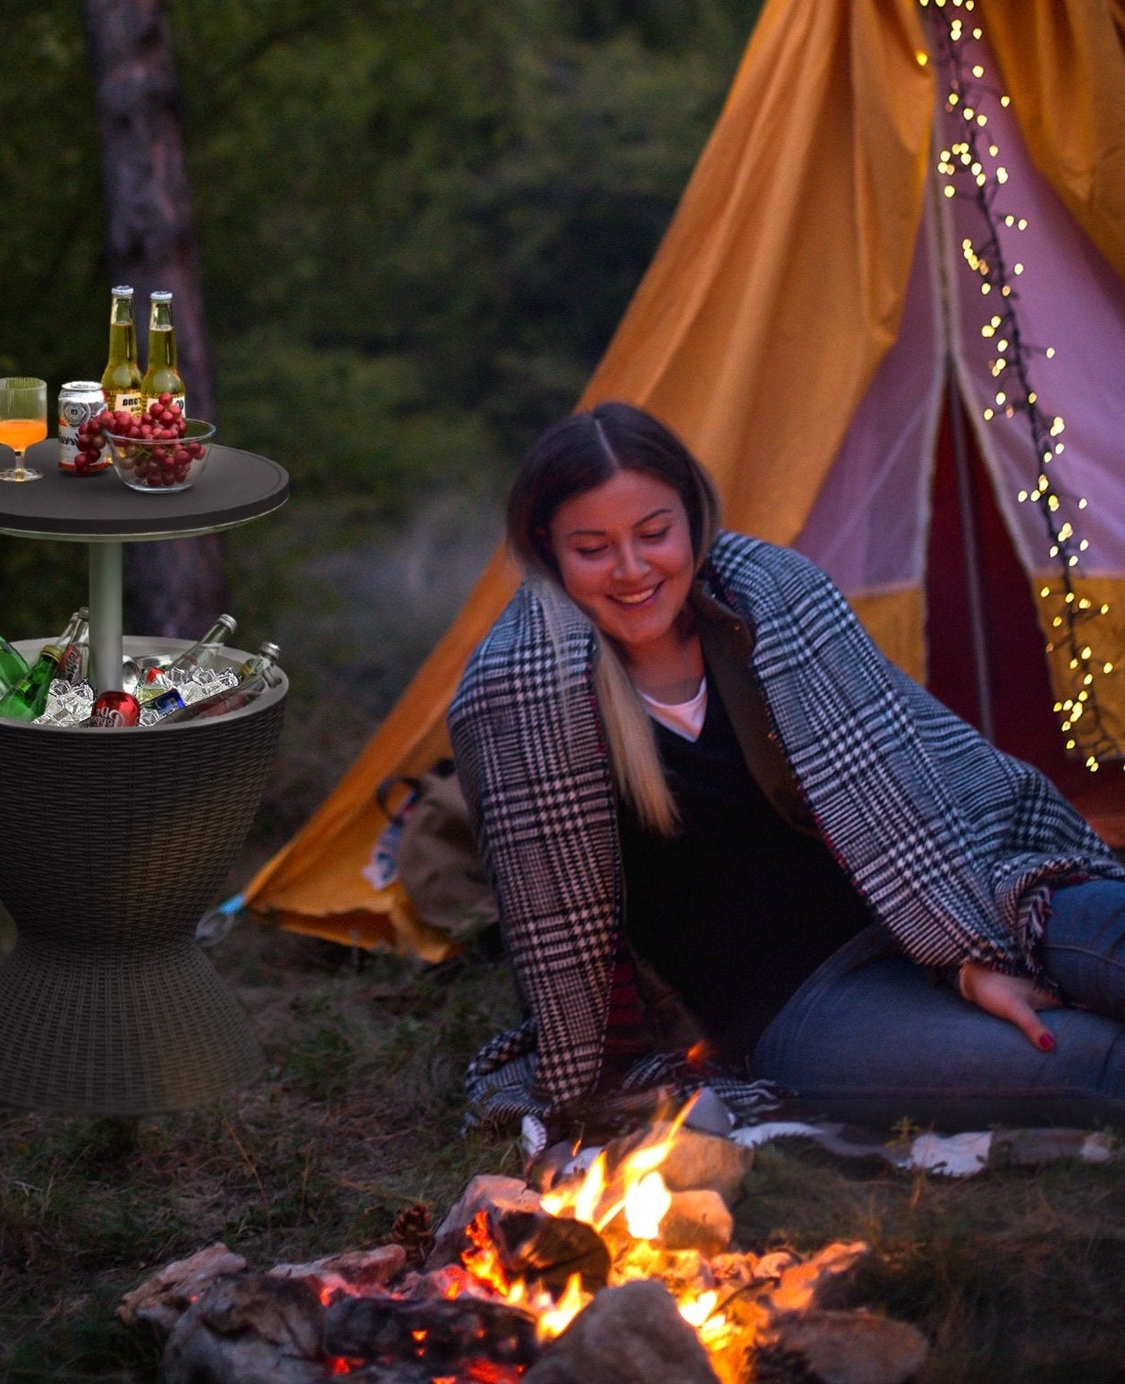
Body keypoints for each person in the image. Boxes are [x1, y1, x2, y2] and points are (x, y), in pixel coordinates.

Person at [448, 403, 1125, 1134]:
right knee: (1094, 1063)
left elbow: (908, 784)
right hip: (797, 998)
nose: (632, 569)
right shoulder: (521, 696)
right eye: (592, 547)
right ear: (545, 546)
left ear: (692, 517)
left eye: (653, 533)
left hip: (961, 891)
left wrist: (964, 953)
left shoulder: (771, 596)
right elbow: (560, 940)